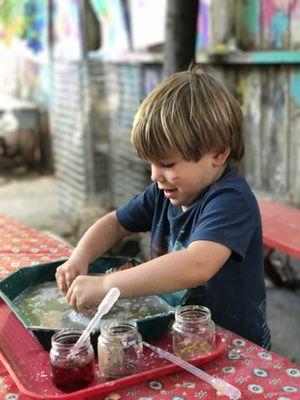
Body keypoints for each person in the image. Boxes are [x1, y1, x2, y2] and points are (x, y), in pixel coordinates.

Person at [56, 66, 271, 349]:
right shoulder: (162, 192)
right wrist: (78, 258)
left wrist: (107, 286)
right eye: (151, 163)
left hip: (235, 347)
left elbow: (198, 264)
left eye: (168, 164)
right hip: (181, 336)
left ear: (218, 153)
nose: (155, 176)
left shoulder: (231, 200)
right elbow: (115, 223)